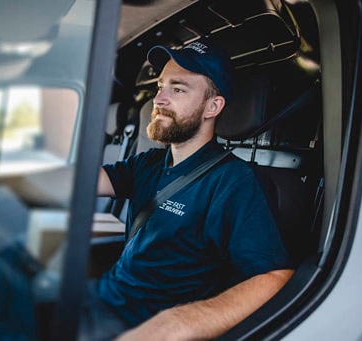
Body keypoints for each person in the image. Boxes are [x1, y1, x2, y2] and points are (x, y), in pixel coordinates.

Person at [93, 37, 294, 340]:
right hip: (102, 300)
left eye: (178, 89)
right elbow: (89, 181)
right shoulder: (150, 162)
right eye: (160, 86)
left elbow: (275, 276)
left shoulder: (235, 182)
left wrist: (180, 322)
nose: (158, 100)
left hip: (140, 327)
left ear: (212, 106)